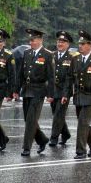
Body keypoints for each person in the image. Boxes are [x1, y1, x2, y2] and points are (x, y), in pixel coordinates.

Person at [61, 30, 91, 159]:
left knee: (82, 123)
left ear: (90, 45)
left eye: (83, 44)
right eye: (79, 44)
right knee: (83, 123)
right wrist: (66, 94)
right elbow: (69, 78)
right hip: (78, 95)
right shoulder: (75, 59)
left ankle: (80, 151)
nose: (80, 46)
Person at [17, 28, 54, 156]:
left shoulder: (47, 54)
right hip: (27, 90)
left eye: (33, 40)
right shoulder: (27, 53)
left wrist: (50, 94)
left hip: (39, 91)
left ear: (40, 40)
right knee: (28, 120)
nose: (31, 42)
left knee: (32, 120)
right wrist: (16, 90)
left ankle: (26, 147)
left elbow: (51, 76)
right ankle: (42, 139)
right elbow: (21, 73)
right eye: (30, 40)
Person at [49, 31, 73, 147]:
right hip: (53, 90)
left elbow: (71, 78)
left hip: (65, 90)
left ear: (68, 44)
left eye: (63, 42)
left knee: (59, 114)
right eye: (59, 41)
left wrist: (66, 93)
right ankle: (66, 133)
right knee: (56, 114)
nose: (60, 43)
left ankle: (54, 137)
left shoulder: (72, 58)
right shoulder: (51, 55)